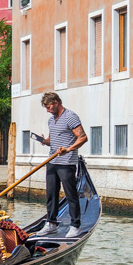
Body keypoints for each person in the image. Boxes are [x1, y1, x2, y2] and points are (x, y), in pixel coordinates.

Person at [35, 92, 88, 238]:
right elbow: (53, 140)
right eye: (46, 107)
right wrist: (45, 141)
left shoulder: (70, 116)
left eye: (49, 106)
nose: (47, 110)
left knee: (71, 194)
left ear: (56, 102)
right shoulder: (51, 120)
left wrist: (68, 149)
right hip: (52, 161)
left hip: (67, 162)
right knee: (51, 193)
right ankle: (51, 223)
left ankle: (75, 225)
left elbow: (83, 137)